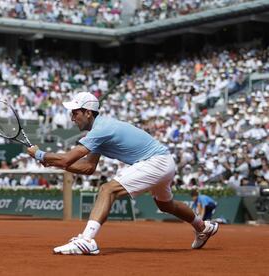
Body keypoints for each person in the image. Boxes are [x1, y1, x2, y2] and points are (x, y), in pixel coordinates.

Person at [27, 92, 219, 255]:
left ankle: (87, 240)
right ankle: (203, 227)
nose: (72, 118)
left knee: (107, 189)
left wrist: (40, 154)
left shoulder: (101, 130)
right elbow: (88, 167)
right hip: (165, 162)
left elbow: (67, 159)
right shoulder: (100, 129)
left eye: (75, 113)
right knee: (165, 205)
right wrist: (54, 162)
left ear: (88, 113)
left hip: (155, 162)